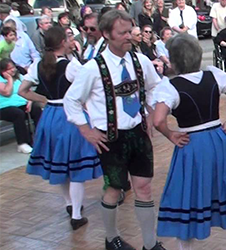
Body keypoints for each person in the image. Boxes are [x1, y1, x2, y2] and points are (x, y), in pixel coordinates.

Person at [62, 10, 166, 250]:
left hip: (138, 134)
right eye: (123, 33)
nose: (129, 37)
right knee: (114, 188)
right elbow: (72, 101)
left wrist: (150, 113)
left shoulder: (140, 62)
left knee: (144, 187)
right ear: (107, 34)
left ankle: (150, 244)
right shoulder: (92, 68)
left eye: (130, 31)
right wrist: (86, 131)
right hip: (111, 138)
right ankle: (111, 238)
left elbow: (155, 88)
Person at [152, 33, 226, 250]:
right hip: (218, 140)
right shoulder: (214, 76)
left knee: (188, 197)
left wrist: (170, 134)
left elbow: (157, 120)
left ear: (173, 60)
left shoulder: (170, 87)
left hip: (191, 144)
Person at [19, 26, 102, 231]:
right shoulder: (70, 66)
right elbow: (90, 86)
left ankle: (69, 204)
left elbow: (23, 91)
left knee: (60, 165)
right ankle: (76, 214)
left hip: (50, 117)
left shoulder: (38, 64)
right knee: (75, 167)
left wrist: (44, 100)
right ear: (63, 42)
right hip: (70, 117)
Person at [0, 59, 42, 154]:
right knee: (17, 114)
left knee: (36, 109)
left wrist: (30, 101)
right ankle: (22, 143)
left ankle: (40, 136)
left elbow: (28, 90)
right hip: (4, 107)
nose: (13, 70)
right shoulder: (1, 80)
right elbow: (7, 92)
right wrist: (9, 79)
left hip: (21, 103)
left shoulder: (19, 77)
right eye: (9, 69)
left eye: (13, 67)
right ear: (2, 71)